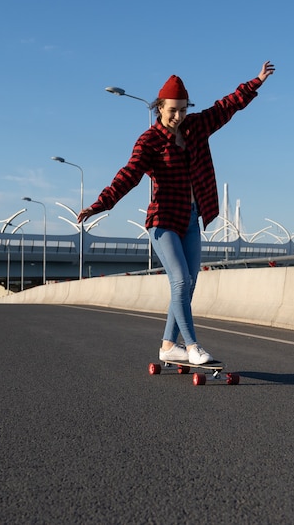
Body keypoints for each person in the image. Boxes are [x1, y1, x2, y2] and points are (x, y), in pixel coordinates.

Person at [78, 61, 275, 364]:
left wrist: (256, 81)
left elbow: (226, 107)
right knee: (181, 280)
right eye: (172, 111)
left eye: (182, 110)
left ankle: (169, 345)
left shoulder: (196, 127)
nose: (178, 116)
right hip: (163, 220)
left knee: (188, 283)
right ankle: (193, 346)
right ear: (159, 108)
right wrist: (100, 204)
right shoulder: (150, 140)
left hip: (191, 218)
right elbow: (128, 174)